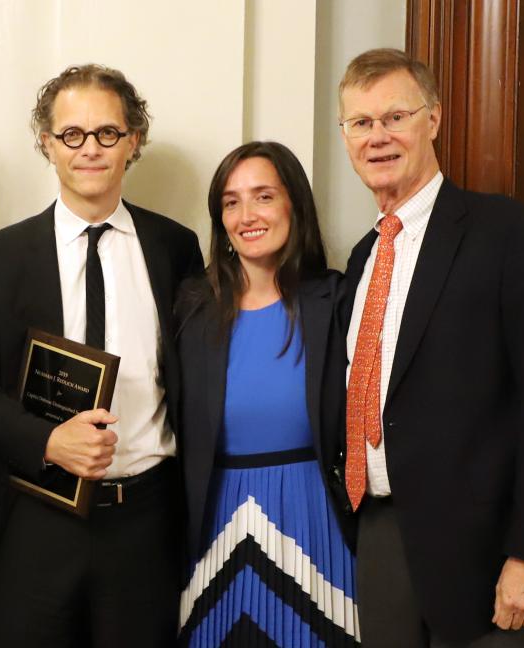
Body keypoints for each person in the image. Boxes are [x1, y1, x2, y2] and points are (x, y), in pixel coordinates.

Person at [338, 48, 524, 646]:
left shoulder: (507, 234)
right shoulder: (361, 257)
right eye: (361, 123)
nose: (378, 136)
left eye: (395, 116)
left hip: (488, 555)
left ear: (435, 119)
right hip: (380, 536)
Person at [0, 63, 203, 647]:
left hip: (145, 519)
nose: (89, 149)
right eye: (72, 134)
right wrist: (47, 442)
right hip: (37, 517)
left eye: (107, 133)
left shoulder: (176, 248)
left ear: (133, 141)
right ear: (47, 144)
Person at [176, 141, 361, 647]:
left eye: (263, 196)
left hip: (314, 518)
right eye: (231, 202)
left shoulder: (337, 299)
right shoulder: (192, 308)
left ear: (293, 205)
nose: (247, 215)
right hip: (216, 521)